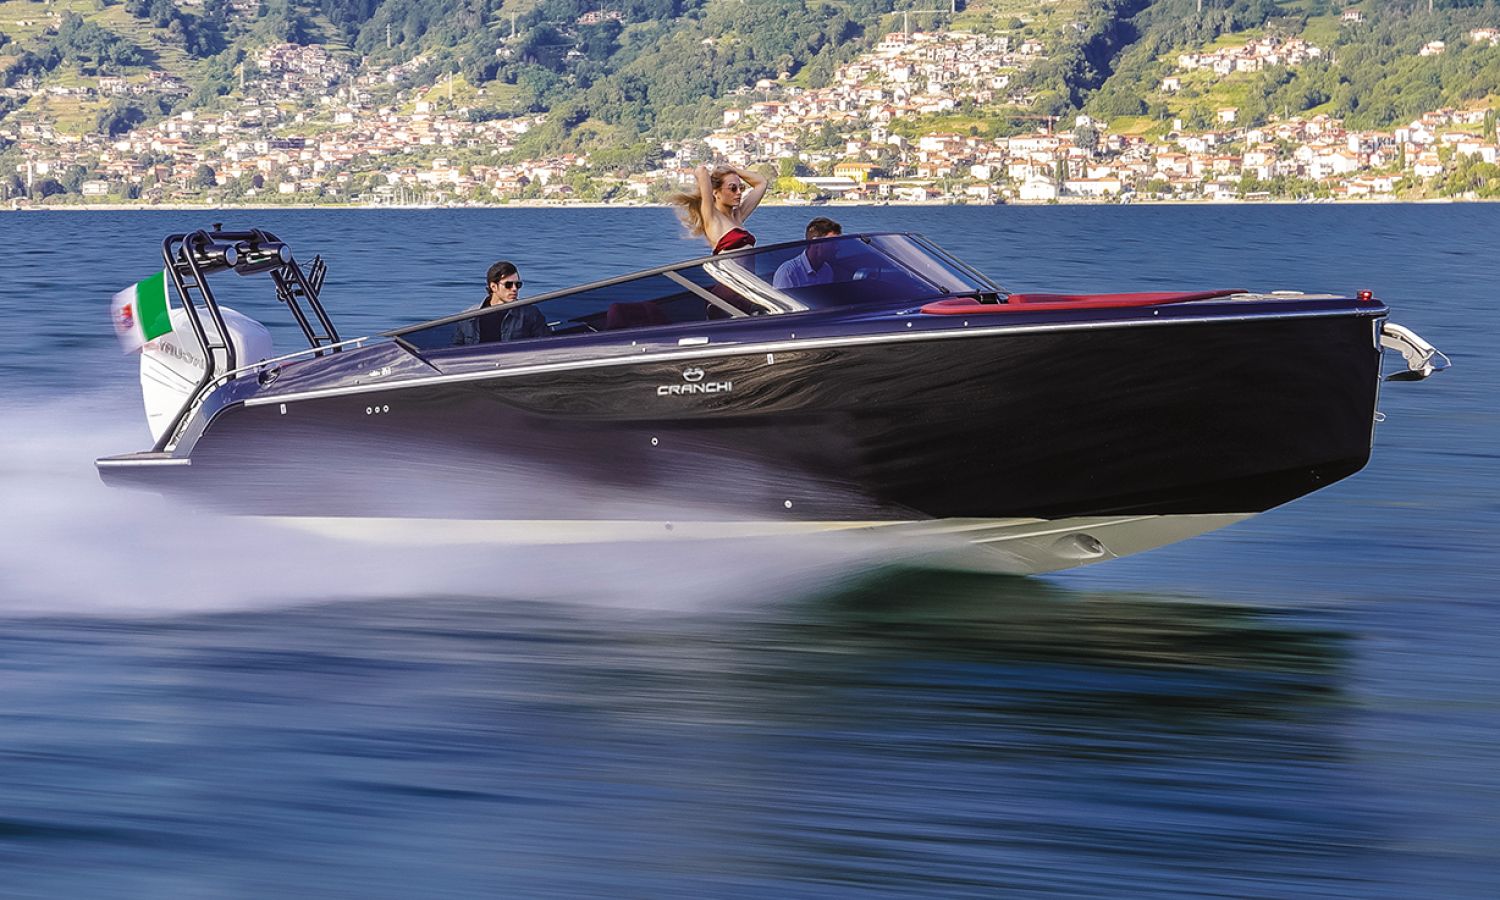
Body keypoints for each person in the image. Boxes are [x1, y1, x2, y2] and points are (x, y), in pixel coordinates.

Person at [668, 164, 769, 254]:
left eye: (741, 188)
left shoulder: (738, 216)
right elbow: (701, 170)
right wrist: (722, 170)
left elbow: (761, 183)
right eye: (733, 188)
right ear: (716, 193)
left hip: (746, 270)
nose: (739, 192)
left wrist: (732, 169)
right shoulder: (712, 217)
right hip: (728, 269)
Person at [454, 261, 548, 345]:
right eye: (508, 285)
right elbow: (456, 349)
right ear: (493, 287)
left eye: (518, 284)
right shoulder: (469, 317)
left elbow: (544, 345)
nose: (514, 289)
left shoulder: (530, 314)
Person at [772, 217, 844, 289]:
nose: (837, 247)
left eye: (837, 243)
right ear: (815, 243)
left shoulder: (827, 270)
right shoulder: (788, 272)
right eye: (832, 243)